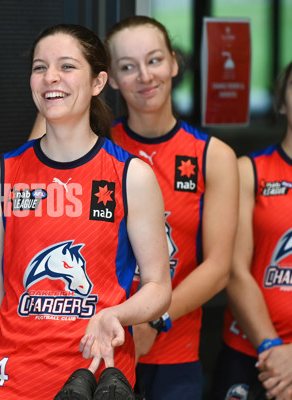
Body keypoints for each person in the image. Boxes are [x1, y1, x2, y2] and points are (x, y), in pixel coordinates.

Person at [0, 23, 172, 399]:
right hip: (8, 382)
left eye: (67, 66)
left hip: (96, 380)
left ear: (97, 82)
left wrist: (116, 315)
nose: (50, 77)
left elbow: (158, 287)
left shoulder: (132, 175)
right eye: (40, 67)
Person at [104, 15, 239, 399]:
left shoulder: (213, 156)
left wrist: (154, 319)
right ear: (110, 78)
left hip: (174, 354)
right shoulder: (96, 149)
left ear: (174, 63)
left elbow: (217, 268)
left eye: (155, 60)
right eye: (127, 67)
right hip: (99, 350)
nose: (145, 76)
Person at [211, 62, 292, 400]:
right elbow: (234, 270)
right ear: (282, 103)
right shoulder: (250, 171)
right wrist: (275, 350)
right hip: (250, 353)